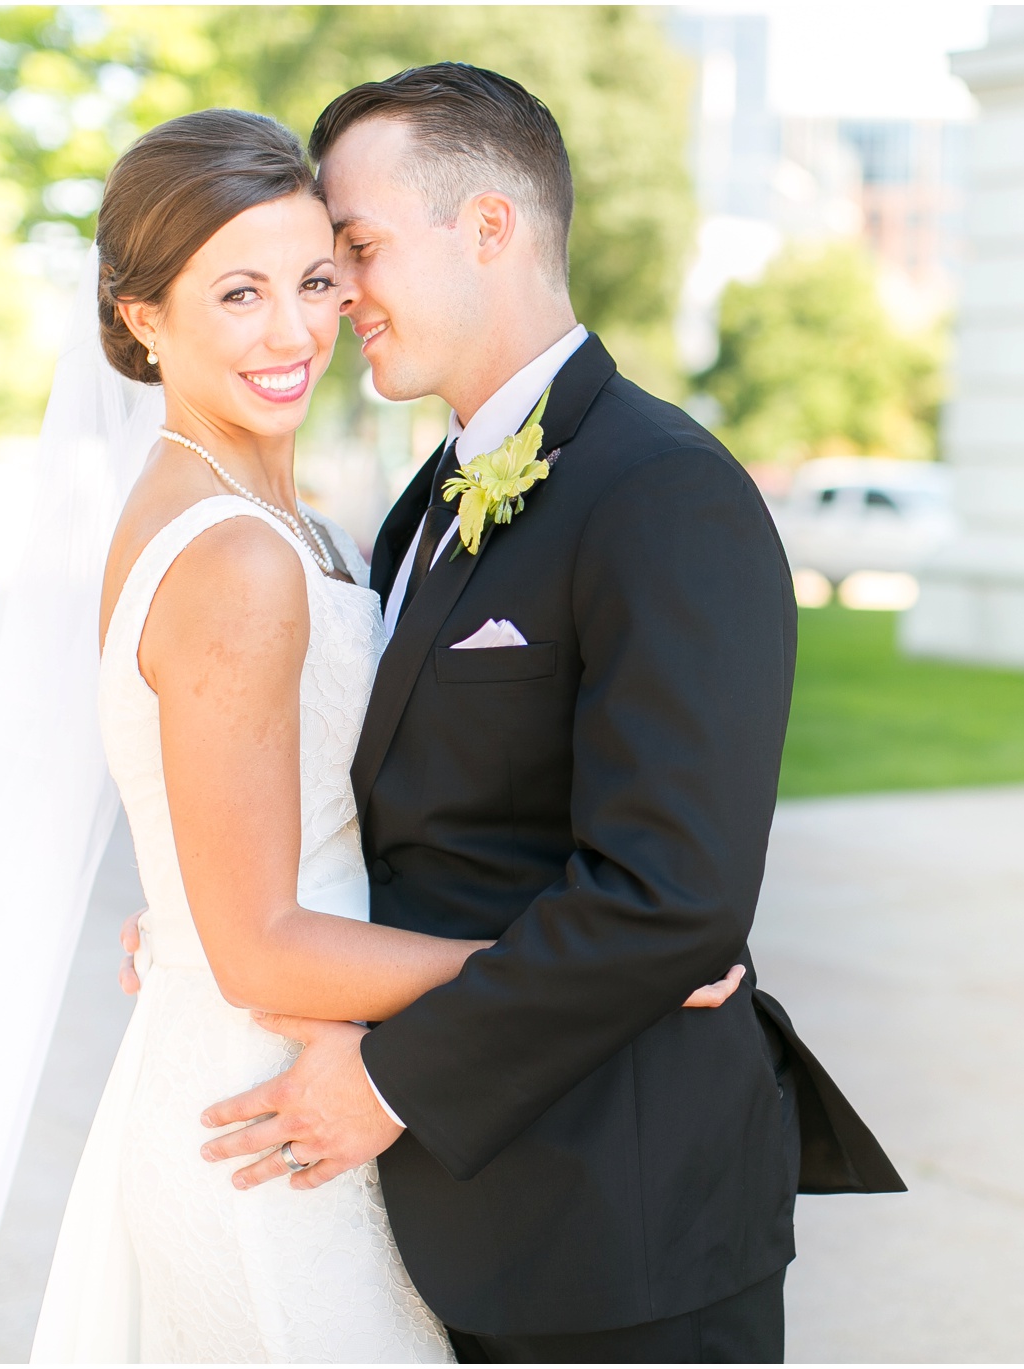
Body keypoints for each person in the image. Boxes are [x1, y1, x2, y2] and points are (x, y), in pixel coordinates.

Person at [178, 64, 904, 1363]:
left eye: (357, 250)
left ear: (491, 228)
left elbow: (669, 896)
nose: (336, 298)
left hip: (619, 1230)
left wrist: (389, 1080)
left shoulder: (663, 492)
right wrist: (207, 911)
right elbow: (394, 803)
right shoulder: (426, 503)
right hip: (466, 1223)